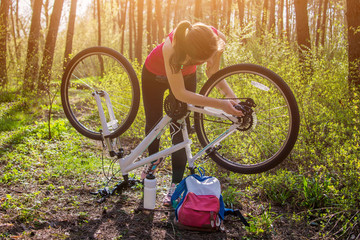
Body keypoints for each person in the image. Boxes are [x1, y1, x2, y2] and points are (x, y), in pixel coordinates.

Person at [141, 20, 243, 206]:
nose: (205, 63)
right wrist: (221, 104)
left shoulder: (214, 39)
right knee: (153, 123)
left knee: (179, 127)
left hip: (185, 76)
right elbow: (181, 93)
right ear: (190, 56)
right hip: (153, 76)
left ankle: (176, 184)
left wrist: (231, 97)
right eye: (201, 61)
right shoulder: (171, 48)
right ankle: (153, 161)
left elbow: (213, 72)